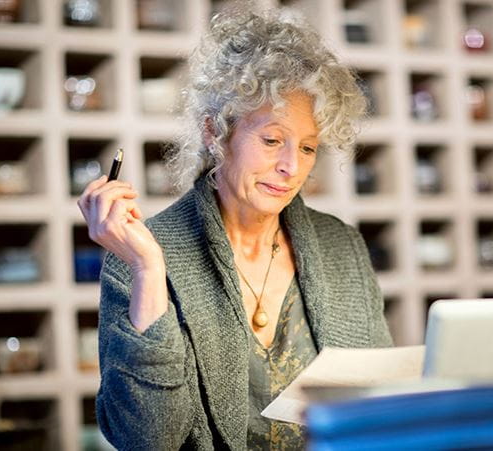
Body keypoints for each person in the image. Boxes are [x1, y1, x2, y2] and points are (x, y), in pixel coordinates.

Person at [77, 7, 393, 450]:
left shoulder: (342, 245)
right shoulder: (139, 256)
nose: (290, 166)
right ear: (214, 132)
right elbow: (149, 439)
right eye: (271, 140)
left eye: (307, 148)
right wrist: (149, 270)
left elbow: (380, 410)